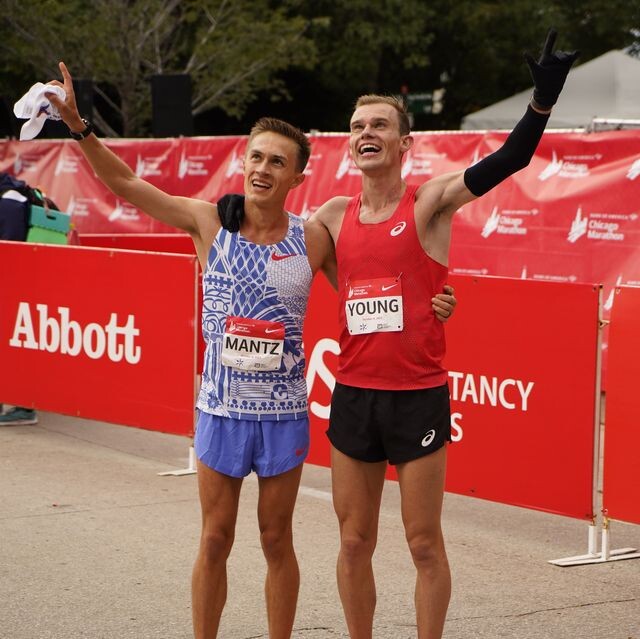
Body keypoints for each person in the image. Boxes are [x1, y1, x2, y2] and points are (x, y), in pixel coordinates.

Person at [44, 62, 457, 638]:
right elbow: (128, 186)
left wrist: (435, 301)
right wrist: (79, 126)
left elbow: (371, 287)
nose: (263, 169)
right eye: (256, 158)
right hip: (220, 410)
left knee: (275, 538)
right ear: (243, 163)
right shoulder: (209, 222)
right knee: (215, 538)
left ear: (297, 177)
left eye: (277, 162)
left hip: (283, 414)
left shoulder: (312, 237)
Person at [308, 29, 578, 639]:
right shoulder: (330, 216)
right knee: (353, 541)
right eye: (357, 126)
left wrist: (541, 104)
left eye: (380, 125)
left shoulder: (428, 203)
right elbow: (282, 252)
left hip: (416, 395)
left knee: (424, 543)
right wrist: (230, 213)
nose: (366, 133)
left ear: (404, 143)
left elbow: (509, 161)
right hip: (353, 393)